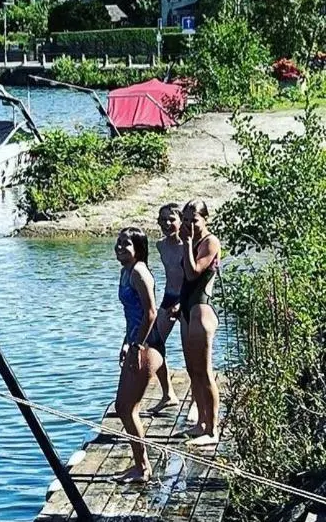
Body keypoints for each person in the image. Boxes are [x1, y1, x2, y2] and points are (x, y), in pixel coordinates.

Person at [114, 226, 165, 483]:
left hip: (147, 345)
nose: (120, 247)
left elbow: (151, 313)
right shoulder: (126, 271)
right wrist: (126, 341)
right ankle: (140, 465)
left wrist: (136, 346)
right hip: (136, 343)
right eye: (119, 243)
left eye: (127, 244)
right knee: (123, 407)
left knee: (126, 407)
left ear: (139, 248)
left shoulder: (139, 272)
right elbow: (130, 315)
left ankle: (142, 468)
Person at [178, 200, 222, 447]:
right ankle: (201, 423)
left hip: (202, 310)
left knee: (205, 372)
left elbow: (194, 272)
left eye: (193, 220)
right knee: (192, 370)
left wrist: (186, 243)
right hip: (186, 309)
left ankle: (212, 430)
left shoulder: (210, 241)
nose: (189, 225)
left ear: (205, 219)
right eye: (185, 220)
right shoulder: (188, 241)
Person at [148, 203, 185, 413]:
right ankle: (168, 393)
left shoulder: (189, 246)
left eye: (171, 219)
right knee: (154, 343)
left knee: (194, 352)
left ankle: (198, 404)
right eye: (163, 220)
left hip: (188, 299)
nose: (167, 224)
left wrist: (182, 304)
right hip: (169, 298)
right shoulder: (160, 245)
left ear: (181, 221)